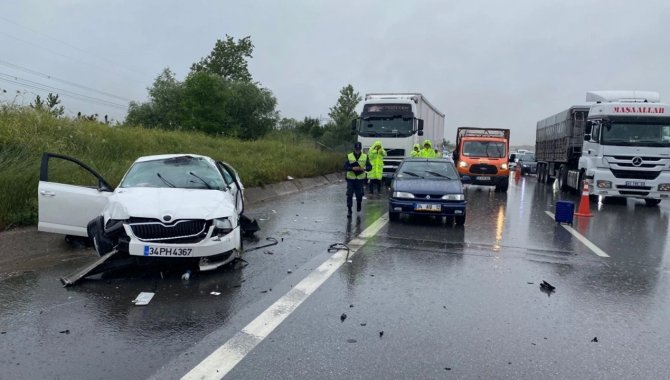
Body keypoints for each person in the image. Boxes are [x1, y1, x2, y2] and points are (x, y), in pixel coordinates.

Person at [343, 142, 372, 218]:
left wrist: (364, 168)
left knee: (359, 195)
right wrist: (352, 168)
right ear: (354, 148)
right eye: (356, 149)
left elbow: (370, 167)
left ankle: (359, 203)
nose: (357, 150)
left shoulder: (365, 156)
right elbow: (345, 166)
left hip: (360, 179)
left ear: (361, 149)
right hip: (351, 179)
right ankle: (349, 210)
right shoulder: (349, 156)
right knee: (349, 194)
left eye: (359, 149)